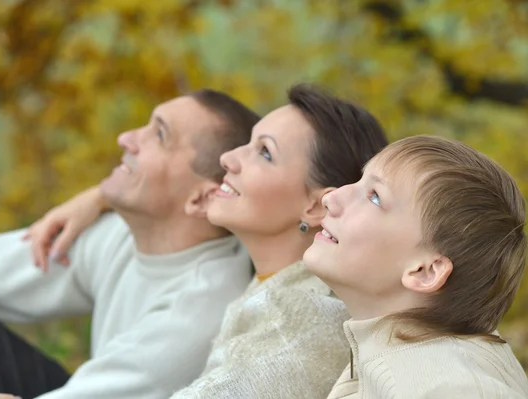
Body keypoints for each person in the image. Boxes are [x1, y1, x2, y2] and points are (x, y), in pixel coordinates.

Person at [21, 84, 389, 398]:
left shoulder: (298, 333)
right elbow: (180, 196)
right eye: (246, 143)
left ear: (314, 205)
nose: (228, 158)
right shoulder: (274, 275)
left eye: (264, 153)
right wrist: (99, 198)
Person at [0, 89, 261, 399]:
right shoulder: (120, 235)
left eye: (159, 134)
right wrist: (100, 196)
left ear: (202, 197)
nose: (127, 138)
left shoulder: (195, 318)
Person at [303, 135, 528, 398]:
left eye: (375, 197)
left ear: (425, 271)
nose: (332, 197)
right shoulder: (406, 359)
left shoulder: (447, 388)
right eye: (360, 181)